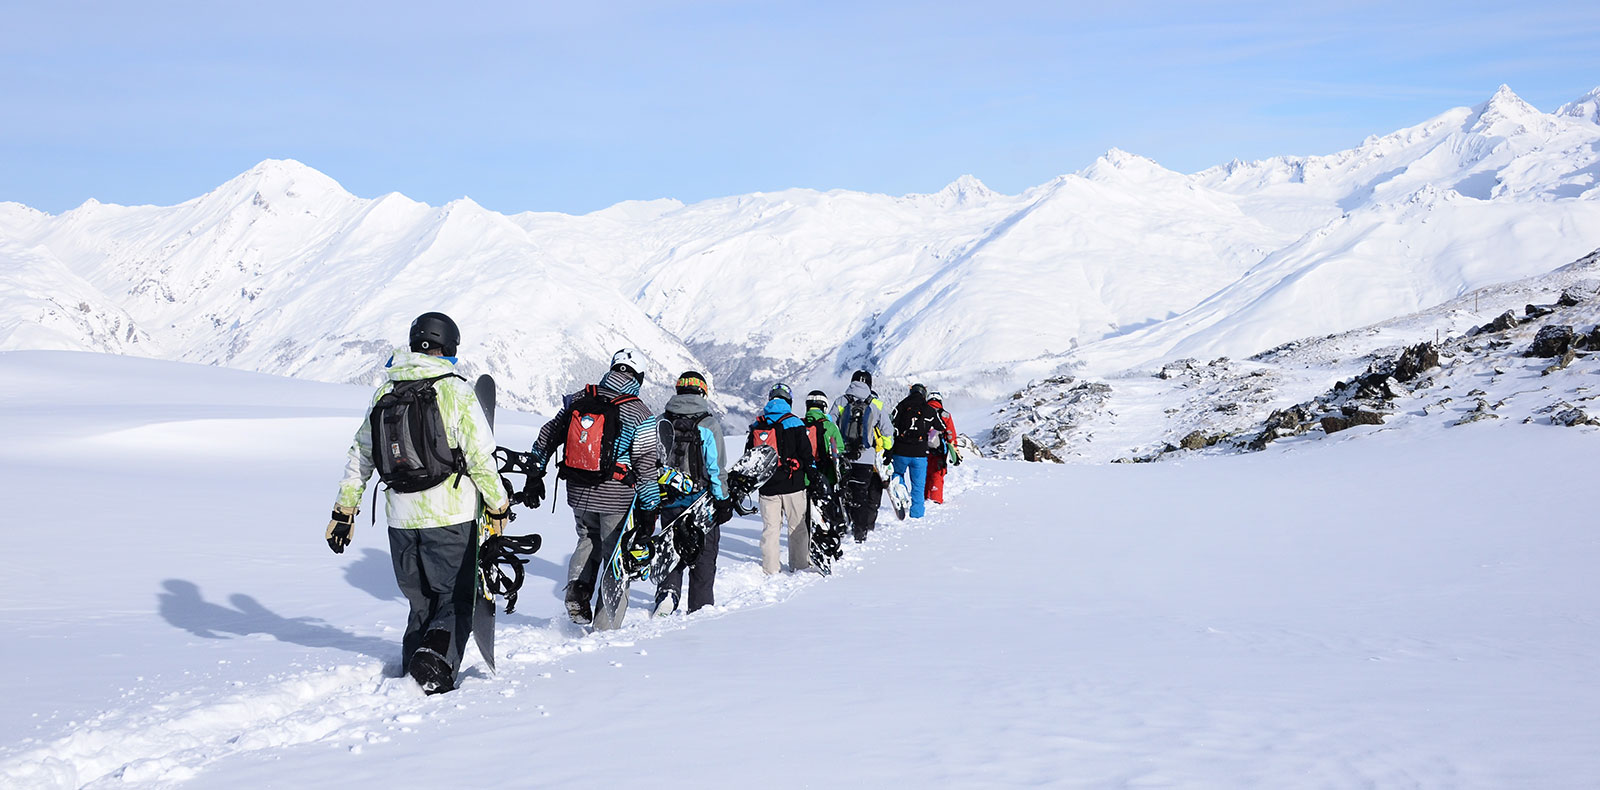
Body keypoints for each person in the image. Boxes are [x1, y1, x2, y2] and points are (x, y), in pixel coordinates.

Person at [327, 312, 510, 694]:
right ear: (451, 347)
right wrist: (498, 506)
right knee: (455, 599)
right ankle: (434, 666)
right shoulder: (455, 390)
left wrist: (344, 511)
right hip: (450, 516)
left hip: (400, 519)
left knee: (420, 602)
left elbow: (361, 455)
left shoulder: (385, 393)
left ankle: (414, 663)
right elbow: (480, 457)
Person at [525, 348, 660, 629]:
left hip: (578, 490)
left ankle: (577, 588)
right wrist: (649, 510)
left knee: (587, 539)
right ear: (640, 377)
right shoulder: (640, 412)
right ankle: (606, 627)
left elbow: (548, 434)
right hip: (616, 495)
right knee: (616, 557)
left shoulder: (579, 398)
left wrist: (535, 472)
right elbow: (646, 465)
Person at [653, 371, 733, 616]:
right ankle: (699, 610)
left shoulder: (661, 421)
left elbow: (652, 462)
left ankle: (667, 592)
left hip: (668, 500)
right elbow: (716, 468)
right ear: (702, 392)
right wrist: (723, 501)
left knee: (670, 547)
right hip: (701, 504)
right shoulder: (708, 424)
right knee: (704, 557)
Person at [747, 382, 813, 574]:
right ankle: (799, 565)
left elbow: (749, 458)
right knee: (797, 528)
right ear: (789, 400)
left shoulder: (758, 424)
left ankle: (770, 568)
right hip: (794, 484)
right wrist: (812, 475)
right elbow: (806, 454)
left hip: (767, 487)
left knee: (770, 529)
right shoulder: (795, 422)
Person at [830, 370, 893, 541]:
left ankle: (842, 526)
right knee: (861, 494)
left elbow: (830, 425)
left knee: (842, 492)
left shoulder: (841, 401)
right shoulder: (876, 404)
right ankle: (860, 532)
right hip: (865, 458)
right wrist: (887, 449)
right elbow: (888, 430)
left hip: (844, 457)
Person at [890, 383, 940, 519]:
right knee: (918, 485)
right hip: (920, 453)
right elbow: (939, 426)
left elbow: (890, 423)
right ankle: (917, 514)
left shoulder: (902, 405)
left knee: (896, 474)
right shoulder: (929, 410)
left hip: (900, 450)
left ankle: (902, 490)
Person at [802, 389, 845, 529]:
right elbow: (840, 449)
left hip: (804, 477)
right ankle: (827, 533)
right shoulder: (831, 427)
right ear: (824, 407)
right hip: (826, 476)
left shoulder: (798, 425)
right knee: (825, 508)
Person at [925, 390, 959, 504]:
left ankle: (924, 497)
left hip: (922, 448)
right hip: (939, 450)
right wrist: (954, 450)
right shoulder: (945, 415)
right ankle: (936, 498)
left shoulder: (922, 411)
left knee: (924, 473)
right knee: (937, 473)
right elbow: (951, 434)